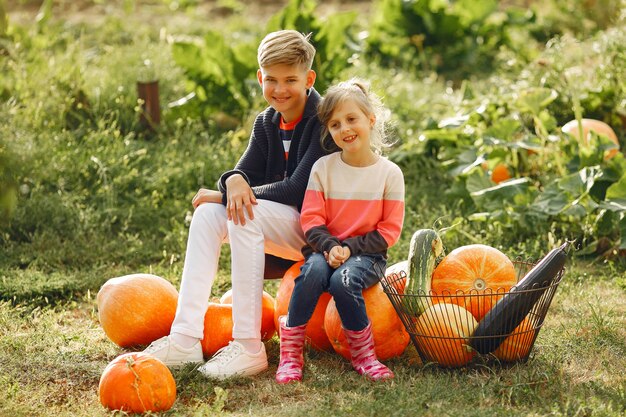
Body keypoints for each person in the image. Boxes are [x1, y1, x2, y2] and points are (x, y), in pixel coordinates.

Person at [143, 30, 326, 379]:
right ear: (260, 78)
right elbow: (241, 174)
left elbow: (296, 189)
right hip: (279, 223)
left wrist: (228, 191)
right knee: (208, 213)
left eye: (291, 79)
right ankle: (185, 338)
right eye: (271, 79)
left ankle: (248, 346)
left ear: (309, 79)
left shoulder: (322, 119)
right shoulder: (266, 122)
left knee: (243, 211)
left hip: (317, 233)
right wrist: (231, 180)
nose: (280, 89)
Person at [275, 79, 405, 383]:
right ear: (329, 131)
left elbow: (389, 230)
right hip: (325, 248)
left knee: (344, 282)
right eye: (335, 124)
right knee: (310, 275)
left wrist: (350, 249)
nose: (344, 129)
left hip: (368, 255)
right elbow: (311, 218)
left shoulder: (389, 174)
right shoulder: (323, 169)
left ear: (370, 120)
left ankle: (365, 357)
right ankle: (291, 354)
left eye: (351, 119)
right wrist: (330, 245)